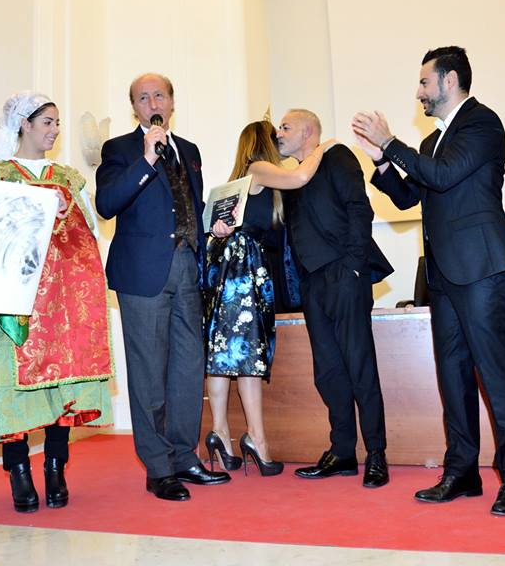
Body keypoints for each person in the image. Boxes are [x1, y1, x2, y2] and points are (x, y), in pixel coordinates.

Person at [352, 46, 505, 515]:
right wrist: (381, 161)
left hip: (482, 269)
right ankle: (462, 472)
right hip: (445, 276)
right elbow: (408, 196)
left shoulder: (482, 123)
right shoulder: (432, 141)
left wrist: (393, 143)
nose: (418, 92)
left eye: (423, 82)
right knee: (452, 376)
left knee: (496, 373)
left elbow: (447, 175)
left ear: (449, 80)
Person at [0, 92, 114, 513]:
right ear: (24, 124)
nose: (54, 130)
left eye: (57, 123)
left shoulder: (68, 178)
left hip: (62, 300)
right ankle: (18, 471)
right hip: (16, 302)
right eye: (47, 122)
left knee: (62, 385)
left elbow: (88, 237)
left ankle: (54, 466)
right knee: (11, 387)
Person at [95, 73, 231, 501]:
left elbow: (190, 207)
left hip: (187, 268)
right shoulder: (119, 149)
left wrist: (214, 226)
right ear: (134, 107)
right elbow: (106, 204)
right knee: (149, 372)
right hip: (142, 273)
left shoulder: (189, 150)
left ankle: (184, 456)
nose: (152, 103)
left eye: (158, 95)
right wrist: (146, 160)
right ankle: (158, 467)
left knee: (188, 368)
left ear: (172, 102)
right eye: (142, 97)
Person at [204, 120, 335, 477]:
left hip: (228, 270)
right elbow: (300, 177)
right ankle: (257, 440)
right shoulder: (259, 169)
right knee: (248, 354)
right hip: (245, 269)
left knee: (223, 355)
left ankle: (221, 433)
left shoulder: (240, 180)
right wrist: (323, 147)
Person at [276, 108, 394, 489]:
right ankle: (342, 451)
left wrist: (354, 268)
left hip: (344, 275)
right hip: (312, 284)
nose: (279, 133)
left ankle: (376, 453)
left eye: (286, 127)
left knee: (359, 366)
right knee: (328, 371)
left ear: (307, 131)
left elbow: (360, 208)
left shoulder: (337, 156)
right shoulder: (293, 175)